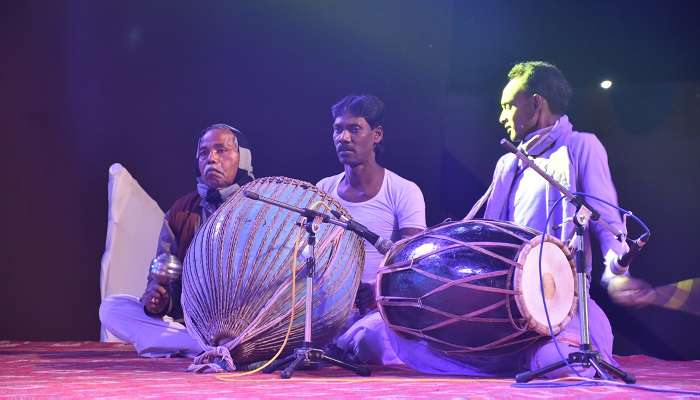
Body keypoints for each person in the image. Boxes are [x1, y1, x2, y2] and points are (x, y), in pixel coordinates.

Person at [391, 61, 626, 378]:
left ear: (536, 102)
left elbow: (606, 220)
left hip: (561, 301)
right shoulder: (508, 163)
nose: (502, 116)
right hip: (508, 304)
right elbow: (490, 237)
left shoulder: (580, 146)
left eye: (508, 106)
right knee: (395, 339)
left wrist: (616, 271)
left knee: (555, 361)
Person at [99, 123, 254, 357]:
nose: (211, 158)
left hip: (249, 324)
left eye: (221, 150)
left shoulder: (262, 207)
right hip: (191, 324)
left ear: (243, 159)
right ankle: (206, 348)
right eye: (204, 153)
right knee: (112, 309)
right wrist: (159, 300)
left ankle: (194, 346)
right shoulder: (181, 210)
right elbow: (164, 278)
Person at [316, 94, 427, 365]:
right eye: (338, 129)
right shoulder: (323, 190)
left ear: (376, 135)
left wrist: (378, 289)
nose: (343, 138)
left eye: (354, 129)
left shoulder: (403, 190)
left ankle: (344, 349)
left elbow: (414, 261)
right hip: (329, 310)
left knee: (370, 339)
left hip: (379, 312)